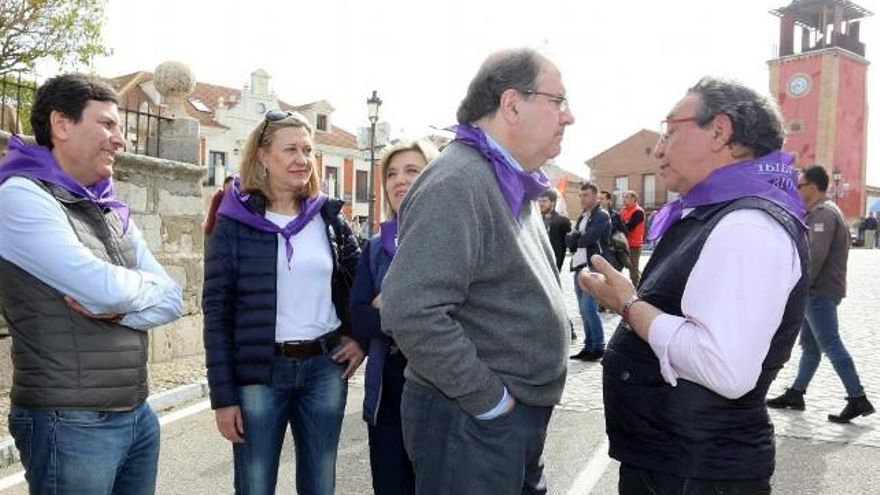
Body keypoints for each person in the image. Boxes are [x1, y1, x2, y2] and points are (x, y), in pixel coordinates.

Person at [581, 76, 810, 493]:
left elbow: (724, 368)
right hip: (676, 461)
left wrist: (629, 305)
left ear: (720, 132)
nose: (660, 147)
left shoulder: (748, 224)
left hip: (698, 473)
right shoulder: (719, 212)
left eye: (671, 130)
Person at [380, 48, 574, 495]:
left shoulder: (506, 179)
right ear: (512, 104)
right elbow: (410, 310)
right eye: (558, 100)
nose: (569, 117)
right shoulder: (459, 180)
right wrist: (490, 402)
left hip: (500, 423)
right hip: (471, 422)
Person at [0, 73, 183, 494]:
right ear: (61, 125)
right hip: (69, 420)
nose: (120, 139)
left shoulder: (106, 203)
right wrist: (124, 296)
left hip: (136, 412)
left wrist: (119, 308)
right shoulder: (22, 197)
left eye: (119, 126)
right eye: (106, 124)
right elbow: (101, 288)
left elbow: (172, 298)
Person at [202, 110, 364, 494]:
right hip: (260, 373)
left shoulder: (327, 218)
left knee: (320, 482)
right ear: (262, 156)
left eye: (308, 150)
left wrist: (359, 337)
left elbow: (361, 284)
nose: (302, 159)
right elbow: (217, 313)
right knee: (255, 484)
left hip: (325, 370)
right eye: (290, 149)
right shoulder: (234, 221)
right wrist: (223, 398)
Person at [350, 139, 438, 495]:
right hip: (386, 396)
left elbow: (452, 318)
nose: (399, 180)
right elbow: (358, 317)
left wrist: (389, 305)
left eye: (412, 171)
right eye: (391, 173)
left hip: (441, 398)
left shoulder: (451, 237)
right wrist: (407, 312)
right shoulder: (375, 246)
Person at [766, 165, 874, 423]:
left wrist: (795, 288)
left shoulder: (823, 213)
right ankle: (796, 393)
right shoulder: (820, 211)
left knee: (830, 343)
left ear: (812, 187)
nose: (797, 189)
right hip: (816, 292)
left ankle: (857, 398)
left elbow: (814, 257)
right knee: (811, 347)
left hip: (818, 292)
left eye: (800, 185)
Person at [567, 183, 614, 361]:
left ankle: (599, 346)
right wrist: (576, 237)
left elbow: (587, 239)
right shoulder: (582, 217)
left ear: (595, 196)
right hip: (580, 265)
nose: (581, 198)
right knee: (582, 309)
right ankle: (588, 346)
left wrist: (577, 237)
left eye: (585, 195)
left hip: (594, 265)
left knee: (589, 307)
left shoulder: (601, 215)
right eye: (580, 195)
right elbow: (570, 241)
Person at [538, 188, 571, 271]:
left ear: (553, 202)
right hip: (537, 262)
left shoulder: (562, 221)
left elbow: (567, 243)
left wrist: (558, 264)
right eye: (539, 201)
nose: (541, 204)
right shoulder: (537, 220)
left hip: (552, 264)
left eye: (544, 201)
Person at [620, 190, 646, 286]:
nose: (624, 200)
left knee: (633, 273)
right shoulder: (623, 211)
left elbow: (629, 227)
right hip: (623, 245)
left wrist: (622, 225)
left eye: (626, 197)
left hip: (634, 245)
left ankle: (639, 292)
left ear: (633, 199)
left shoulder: (638, 211)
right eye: (623, 197)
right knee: (626, 267)